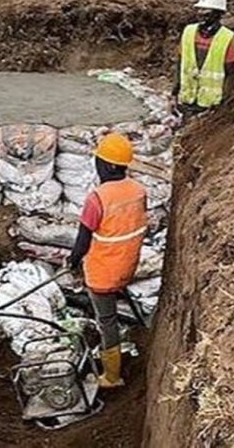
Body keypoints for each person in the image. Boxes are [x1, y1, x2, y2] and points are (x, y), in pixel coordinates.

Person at [68, 133, 148, 389]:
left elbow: (82, 240)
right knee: (111, 306)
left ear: (107, 165)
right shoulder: (138, 191)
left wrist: (73, 261)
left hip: (103, 273)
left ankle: (112, 376)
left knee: (107, 320)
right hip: (128, 265)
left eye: (99, 160)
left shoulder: (98, 198)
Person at [173, 0, 234, 115]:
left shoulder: (228, 38)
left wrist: (222, 104)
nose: (201, 13)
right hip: (186, 99)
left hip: (209, 106)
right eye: (199, 10)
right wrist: (173, 93)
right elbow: (180, 64)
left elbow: (230, 74)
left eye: (205, 10)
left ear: (218, 14)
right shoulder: (188, 32)